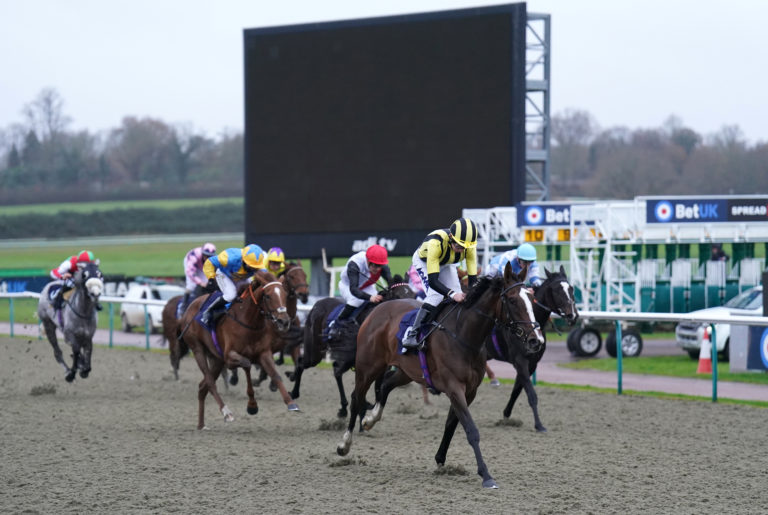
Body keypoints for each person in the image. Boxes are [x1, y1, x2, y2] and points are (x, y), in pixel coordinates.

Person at [402, 217, 478, 348]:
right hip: (425, 262)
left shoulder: (469, 247)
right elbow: (433, 282)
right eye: (458, 245)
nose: (461, 249)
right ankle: (412, 335)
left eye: (464, 247)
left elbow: (472, 280)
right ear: (450, 237)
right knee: (436, 295)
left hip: (446, 263)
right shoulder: (435, 243)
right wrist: (452, 294)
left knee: (460, 294)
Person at [327, 244, 393, 339]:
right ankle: (337, 324)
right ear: (368, 260)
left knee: (379, 301)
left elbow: (391, 281)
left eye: (380, 266)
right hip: (347, 286)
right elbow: (354, 289)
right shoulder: (354, 264)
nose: (378, 269)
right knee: (356, 301)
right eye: (375, 265)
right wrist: (370, 297)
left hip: (367, 286)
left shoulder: (382, 265)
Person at [199, 244, 267, 325]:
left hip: (241, 278)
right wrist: (211, 278)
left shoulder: (260, 267)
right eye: (251, 266)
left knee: (252, 294)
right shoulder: (229, 258)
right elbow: (209, 262)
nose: (254, 269)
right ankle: (208, 310)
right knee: (231, 295)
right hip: (224, 274)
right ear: (243, 260)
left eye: (256, 267)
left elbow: (266, 279)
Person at [181, 243, 217, 312]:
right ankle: (183, 306)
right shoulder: (193, 257)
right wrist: (200, 282)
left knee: (207, 282)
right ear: (203, 254)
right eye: (207, 256)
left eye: (210, 256)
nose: (208, 258)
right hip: (191, 266)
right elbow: (190, 273)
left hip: (201, 266)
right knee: (191, 285)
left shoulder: (213, 258)